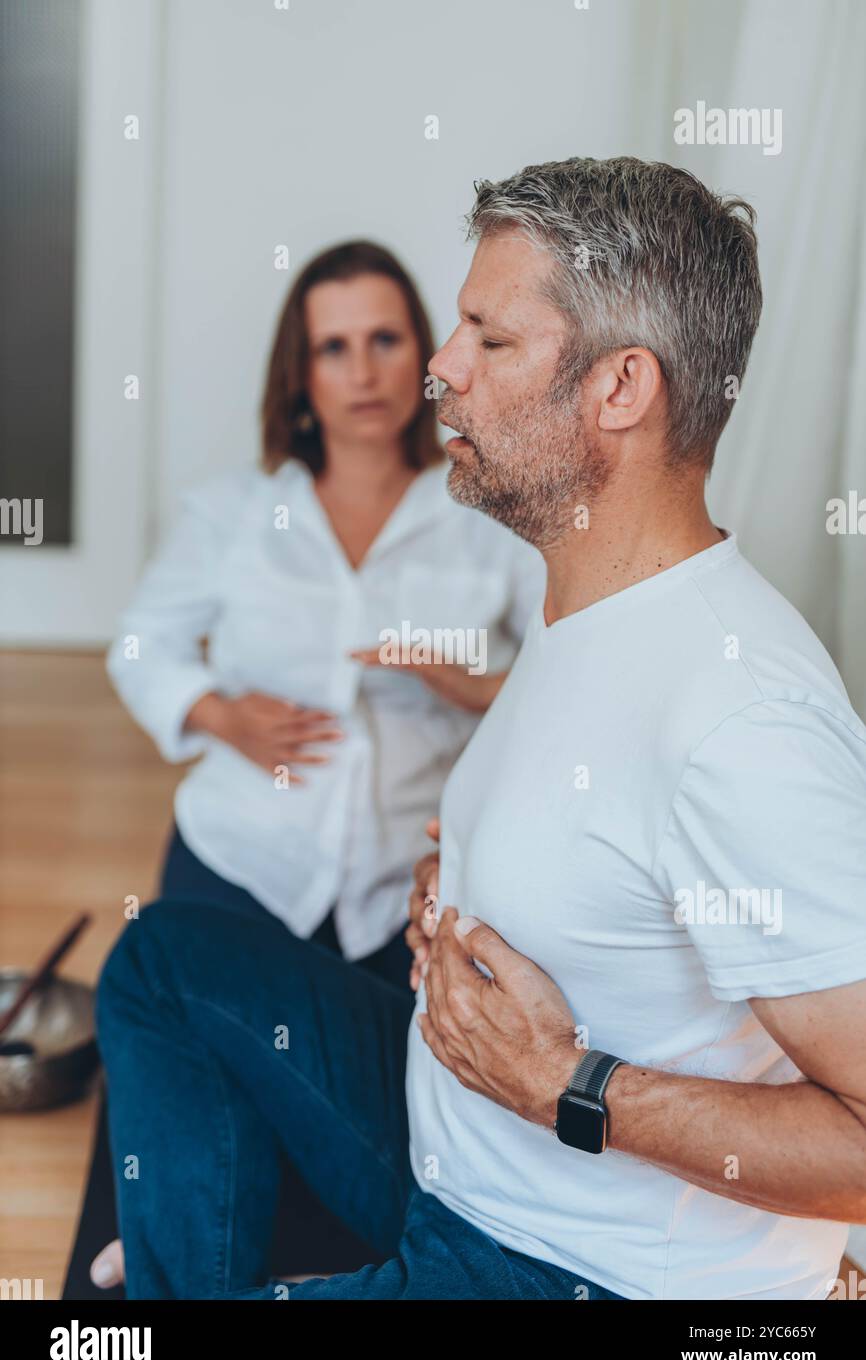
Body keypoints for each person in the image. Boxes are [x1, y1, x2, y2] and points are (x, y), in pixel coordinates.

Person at [96, 157, 866, 1300]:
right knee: (163, 956)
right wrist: (463, 878)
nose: (438, 370)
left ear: (618, 390)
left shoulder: (743, 721)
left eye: (485, 340)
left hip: (555, 1261)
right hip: (444, 1135)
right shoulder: (579, 598)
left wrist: (570, 1083)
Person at [87, 239, 542, 1290]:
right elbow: (142, 644)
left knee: (339, 1096)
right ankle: (188, 1215)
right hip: (243, 859)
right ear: (298, 374)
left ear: (424, 354)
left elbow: (554, 680)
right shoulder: (235, 513)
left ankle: (169, 1221)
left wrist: (458, 674)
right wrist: (216, 711)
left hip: (399, 895)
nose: (364, 368)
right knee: (208, 1033)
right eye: (331, 347)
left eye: (385, 338)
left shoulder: (485, 516)